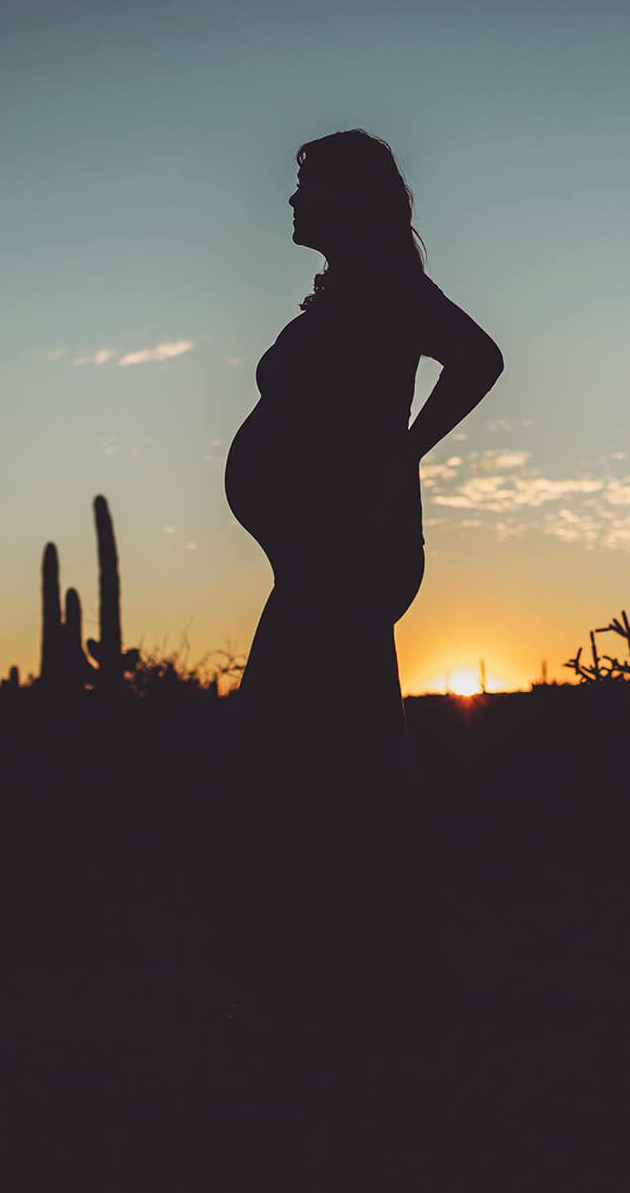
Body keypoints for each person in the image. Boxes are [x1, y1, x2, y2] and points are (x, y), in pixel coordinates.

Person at [215, 128, 504, 1091]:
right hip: (318, 555)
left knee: (311, 754)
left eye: (306, 189)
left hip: (345, 555)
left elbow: (478, 357)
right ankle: (362, 979)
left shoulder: (382, 283)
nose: (291, 205)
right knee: (332, 755)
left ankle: (358, 992)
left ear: (348, 199)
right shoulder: (349, 289)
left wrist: (404, 452)